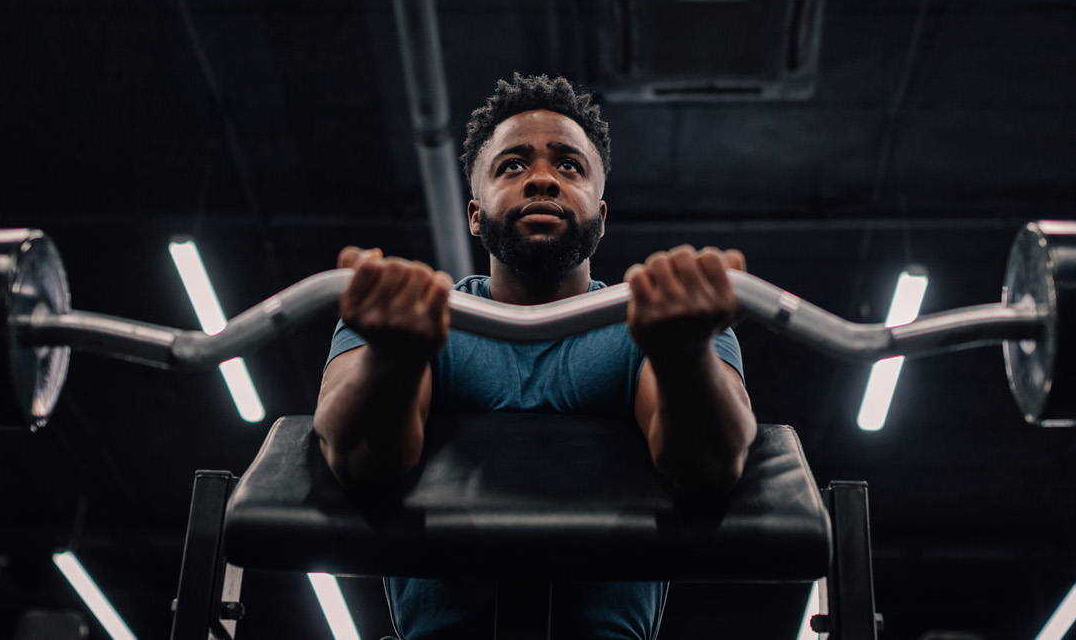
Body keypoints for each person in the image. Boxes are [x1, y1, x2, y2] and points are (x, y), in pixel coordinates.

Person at [312, 74, 757, 640]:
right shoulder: (408, 314)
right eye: (513, 165)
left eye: (569, 166)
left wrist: (685, 356)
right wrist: (394, 358)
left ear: (601, 214)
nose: (542, 179)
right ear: (475, 214)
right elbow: (355, 459)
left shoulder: (667, 319)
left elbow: (710, 468)